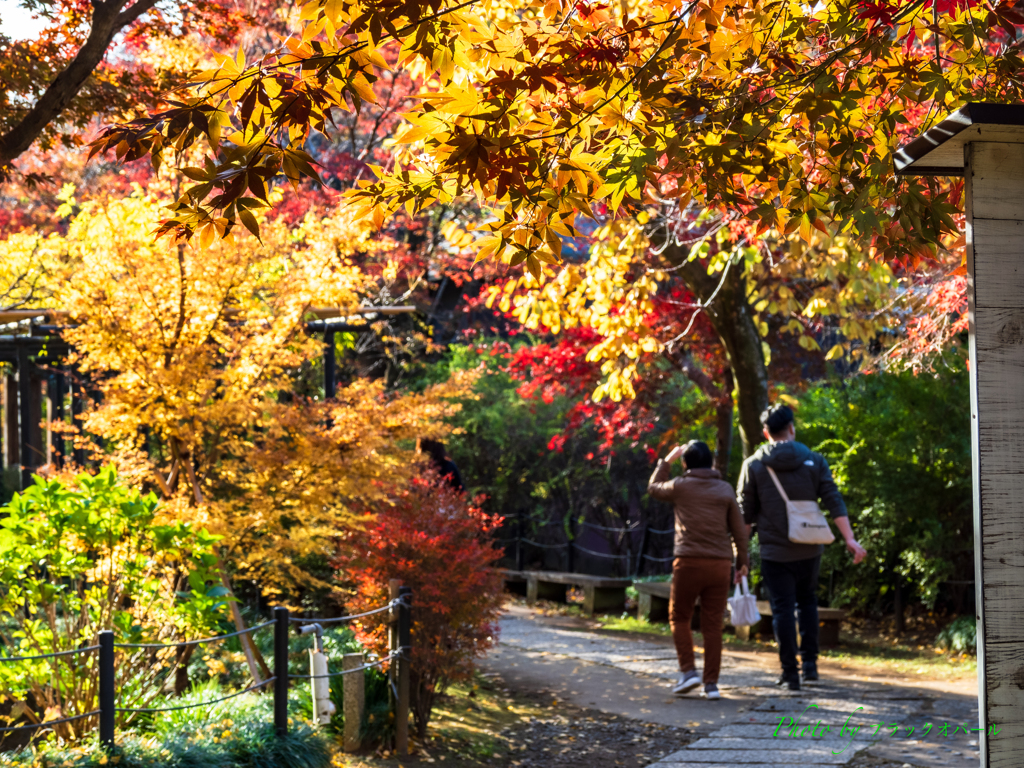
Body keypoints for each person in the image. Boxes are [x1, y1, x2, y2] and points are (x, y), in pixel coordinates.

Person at [737, 404, 867, 691]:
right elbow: (833, 499)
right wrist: (849, 539)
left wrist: (741, 555)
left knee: (782, 608)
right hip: (810, 547)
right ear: (792, 428)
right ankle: (810, 666)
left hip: (774, 551)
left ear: (765, 432)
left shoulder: (754, 466)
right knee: (808, 602)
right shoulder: (814, 460)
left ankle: (790, 674)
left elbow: (744, 516)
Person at [648, 439, 749, 701]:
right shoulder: (725, 490)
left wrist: (666, 461)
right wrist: (742, 564)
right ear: (712, 463)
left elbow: (653, 488)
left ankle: (688, 671)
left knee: (679, 617)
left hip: (689, 561)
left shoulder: (680, 486)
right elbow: (739, 531)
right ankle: (711, 684)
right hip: (719, 564)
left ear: (685, 463)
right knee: (713, 624)